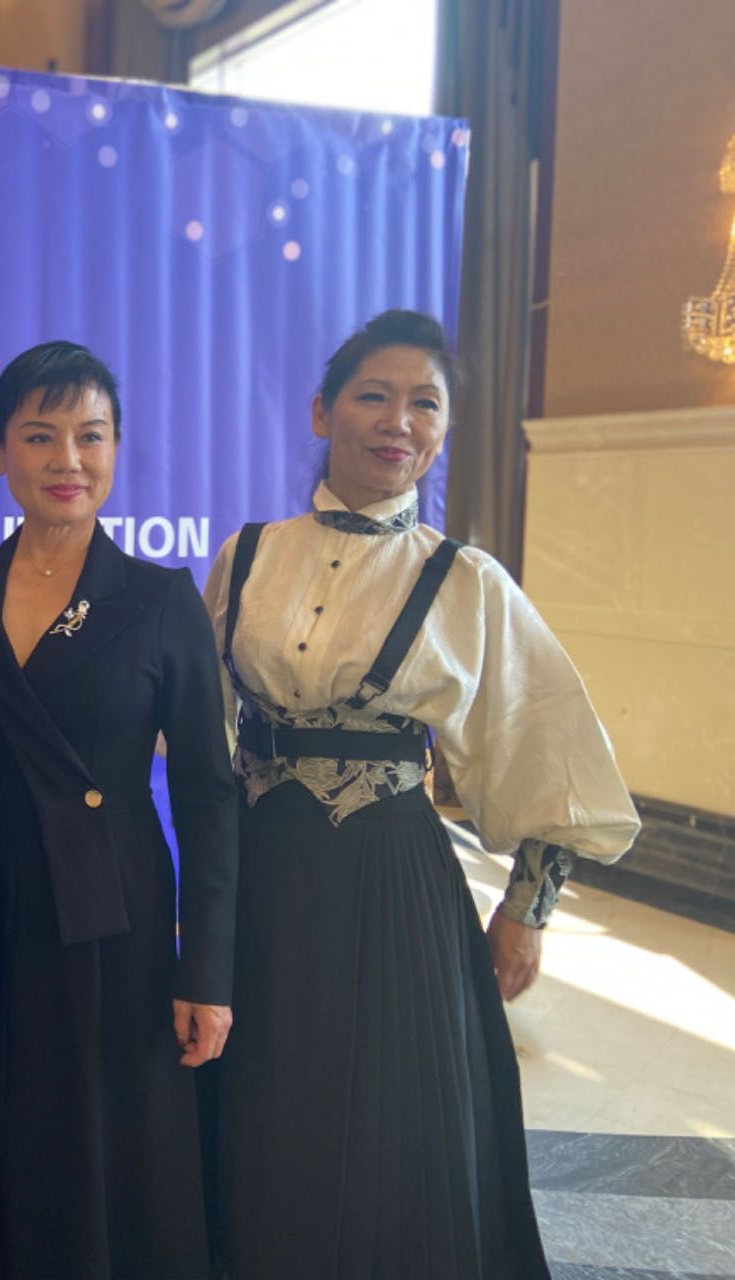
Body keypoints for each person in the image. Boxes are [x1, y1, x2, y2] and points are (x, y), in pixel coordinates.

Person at [202, 309, 640, 1278]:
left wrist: (524, 912)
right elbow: (199, 728)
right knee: (263, 1102)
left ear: (442, 428)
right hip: (260, 874)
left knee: (389, 1119)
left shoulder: (465, 582)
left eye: (424, 404)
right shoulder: (244, 555)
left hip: (392, 880)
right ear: (322, 411)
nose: (397, 421)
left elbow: (548, 744)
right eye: (373, 396)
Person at [0, 341, 241, 1280]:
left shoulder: (158, 599)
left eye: (90, 436)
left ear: (117, 448)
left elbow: (210, 796)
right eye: (40, 436)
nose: (68, 460)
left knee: (104, 1141)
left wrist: (208, 970)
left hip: (113, 912)